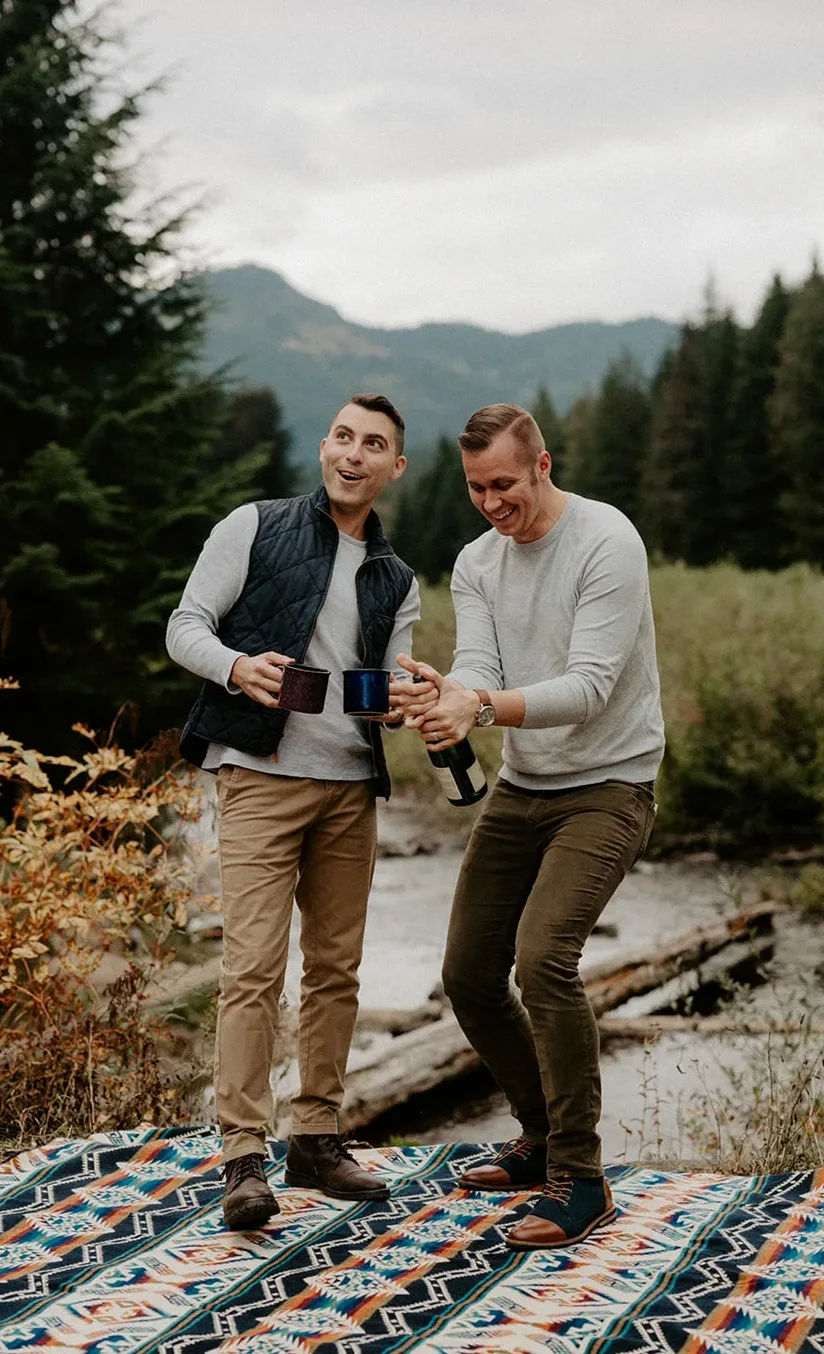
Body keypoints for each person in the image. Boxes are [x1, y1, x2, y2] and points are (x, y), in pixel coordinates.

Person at [395, 402, 665, 1251]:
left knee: (545, 959)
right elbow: (479, 664)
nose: (489, 502)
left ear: (543, 465)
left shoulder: (607, 540)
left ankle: (581, 1180)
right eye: (476, 487)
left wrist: (479, 704)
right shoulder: (476, 562)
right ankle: (539, 1136)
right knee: (470, 975)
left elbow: (586, 687)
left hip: (611, 784)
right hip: (524, 787)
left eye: (503, 484)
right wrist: (452, 696)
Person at [167, 393, 423, 1230]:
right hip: (259, 774)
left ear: (395, 467)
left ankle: (316, 1137)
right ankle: (244, 1154)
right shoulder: (252, 525)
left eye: (373, 444)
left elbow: (390, 675)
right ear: (325, 447)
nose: (354, 453)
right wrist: (238, 669)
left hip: (350, 786)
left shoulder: (398, 578)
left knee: (337, 971)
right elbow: (185, 627)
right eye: (344, 437)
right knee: (251, 970)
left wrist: (397, 699)